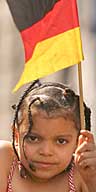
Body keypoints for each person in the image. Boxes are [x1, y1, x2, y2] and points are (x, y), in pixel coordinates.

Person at [0, 80, 96, 192]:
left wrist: (92, 179)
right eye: (33, 138)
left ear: (77, 142)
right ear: (16, 136)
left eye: (61, 141)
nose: (46, 152)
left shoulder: (82, 173)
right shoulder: (5, 160)